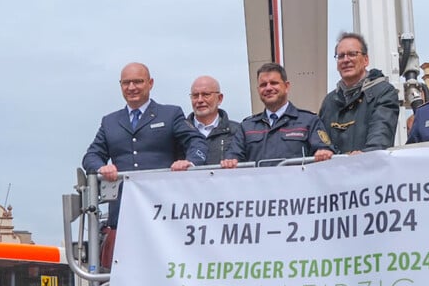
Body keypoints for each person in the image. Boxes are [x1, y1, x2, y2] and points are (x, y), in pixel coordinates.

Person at [82, 62, 209, 227]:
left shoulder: (170, 114)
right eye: (126, 83)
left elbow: (197, 142)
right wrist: (101, 167)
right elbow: (91, 156)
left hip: (164, 212)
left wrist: (189, 162)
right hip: (122, 214)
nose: (132, 87)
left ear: (150, 83)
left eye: (138, 81)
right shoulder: (110, 122)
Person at [222, 62, 336, 167]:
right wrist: (230, 161)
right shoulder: (247, 127)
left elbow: (324, 151)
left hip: (298, 188)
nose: (268, 88)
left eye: (274, 83)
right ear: (258, 90)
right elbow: (233, 157)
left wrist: (324, 152)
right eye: (263, 85)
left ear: (286, 86)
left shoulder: (309, 121)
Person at [319, 32, 399, 153]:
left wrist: (364, 157)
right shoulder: (329, 101)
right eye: (341, 56)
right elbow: (321, 141)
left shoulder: (384, 92)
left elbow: (381, 135)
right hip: (334, 170)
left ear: (366, 60)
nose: (346, 60)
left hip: (369, 169)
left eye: (352, 54)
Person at [186, 75, 241, 165]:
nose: (200, 100)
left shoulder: (237, 131)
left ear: (220, 98)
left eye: (206, 95)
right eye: (195, 96)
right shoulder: (180, 133)